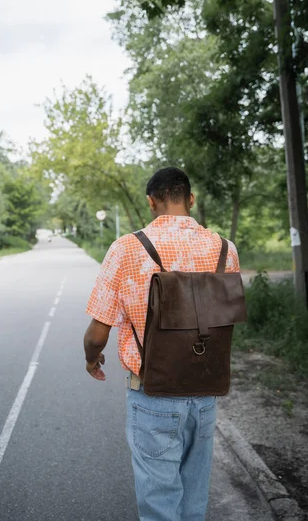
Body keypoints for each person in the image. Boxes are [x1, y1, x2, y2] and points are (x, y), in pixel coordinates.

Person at [83, 167, 240, 521]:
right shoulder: (226, 251)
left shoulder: (126, 248)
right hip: (205, 391)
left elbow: (97, 333)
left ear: (151, 202)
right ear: (191, 199)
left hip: (152, 393)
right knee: (194, 496)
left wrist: (91, 360)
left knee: (159, 501)